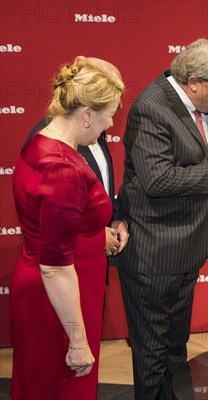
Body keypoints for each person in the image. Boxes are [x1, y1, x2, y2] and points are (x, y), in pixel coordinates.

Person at [114, 38, 208, 399]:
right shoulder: (151, 109)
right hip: (154, 254)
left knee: (175, 346)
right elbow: (157, 180)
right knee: (153, 351)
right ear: (193, 82)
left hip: (185, 249)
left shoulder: (198, 101)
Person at [10, 56, 124, 399]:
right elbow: (54, 268)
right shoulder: (63, 168)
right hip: (60, 303)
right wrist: (77, 340)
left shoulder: (43, 140)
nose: (110, 125)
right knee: (60, 386)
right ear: (86, 112)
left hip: (60, 293)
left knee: (40, 385)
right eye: (109, 116)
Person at [25, 57, 129, 260]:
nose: (119, 107)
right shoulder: (49, 147)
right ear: (89, 110)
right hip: (66, 266)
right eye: (111, 93)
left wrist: (115, 219)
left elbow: (100, 188)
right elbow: (49, 227)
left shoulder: (95, 129)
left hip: (91, 265)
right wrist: (98, 238)